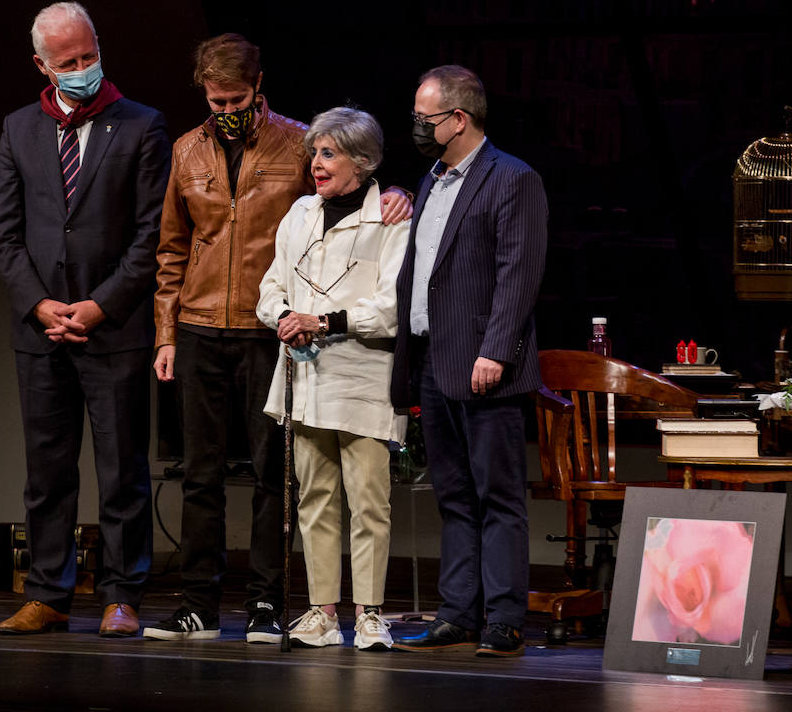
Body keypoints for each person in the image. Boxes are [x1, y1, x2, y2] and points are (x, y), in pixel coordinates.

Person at [144, 33, 411, 642]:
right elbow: (171, 249)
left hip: (271, 335)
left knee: (276, 474)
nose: (226, 110)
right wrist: (165, 334)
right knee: (200, 472)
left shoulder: (298, 145)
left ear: (258, 87)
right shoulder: (187, 152)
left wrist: (400, 193)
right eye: (215, 101)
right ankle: (198, 606)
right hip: (202, 325)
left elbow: (352, 192)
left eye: (236, 98)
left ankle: (268, 604)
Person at [0, 1, 171, 639]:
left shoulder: (142, 126)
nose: (82, 69)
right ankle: (48, 593)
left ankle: (122, 596)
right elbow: (4, 234)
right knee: (47, 472)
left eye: (89, 56)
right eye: (68, 62)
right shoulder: (19, 129)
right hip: (40, 332)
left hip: (112, 328)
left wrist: (99, 306)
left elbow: (152, 235)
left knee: (122, 469)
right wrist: (41, 305)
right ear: (42, 65)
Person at [390, 65, 547, 658]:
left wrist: (496, 351)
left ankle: (503, 619)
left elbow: (519, 273)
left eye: (425, 119)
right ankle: (458, 612)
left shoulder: (512, 179)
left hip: (484, 364)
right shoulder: (432, 179)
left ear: (459, 119)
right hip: (433, 359)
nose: (417, 128)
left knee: (498, 495)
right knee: (453, 494)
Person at [255, 106, 408, 651]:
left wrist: (323, 321)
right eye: (314, 152)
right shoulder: (298, 213)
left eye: (329, 153)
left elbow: (391, 306)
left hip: (363, 376)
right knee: (314, 496)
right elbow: (270, 288)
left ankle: (369, 613)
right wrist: (284, 319)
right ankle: (322, 613)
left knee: (368, 499)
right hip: (305, 373)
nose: (316, 163)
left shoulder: (391, 219)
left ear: (362, 162)